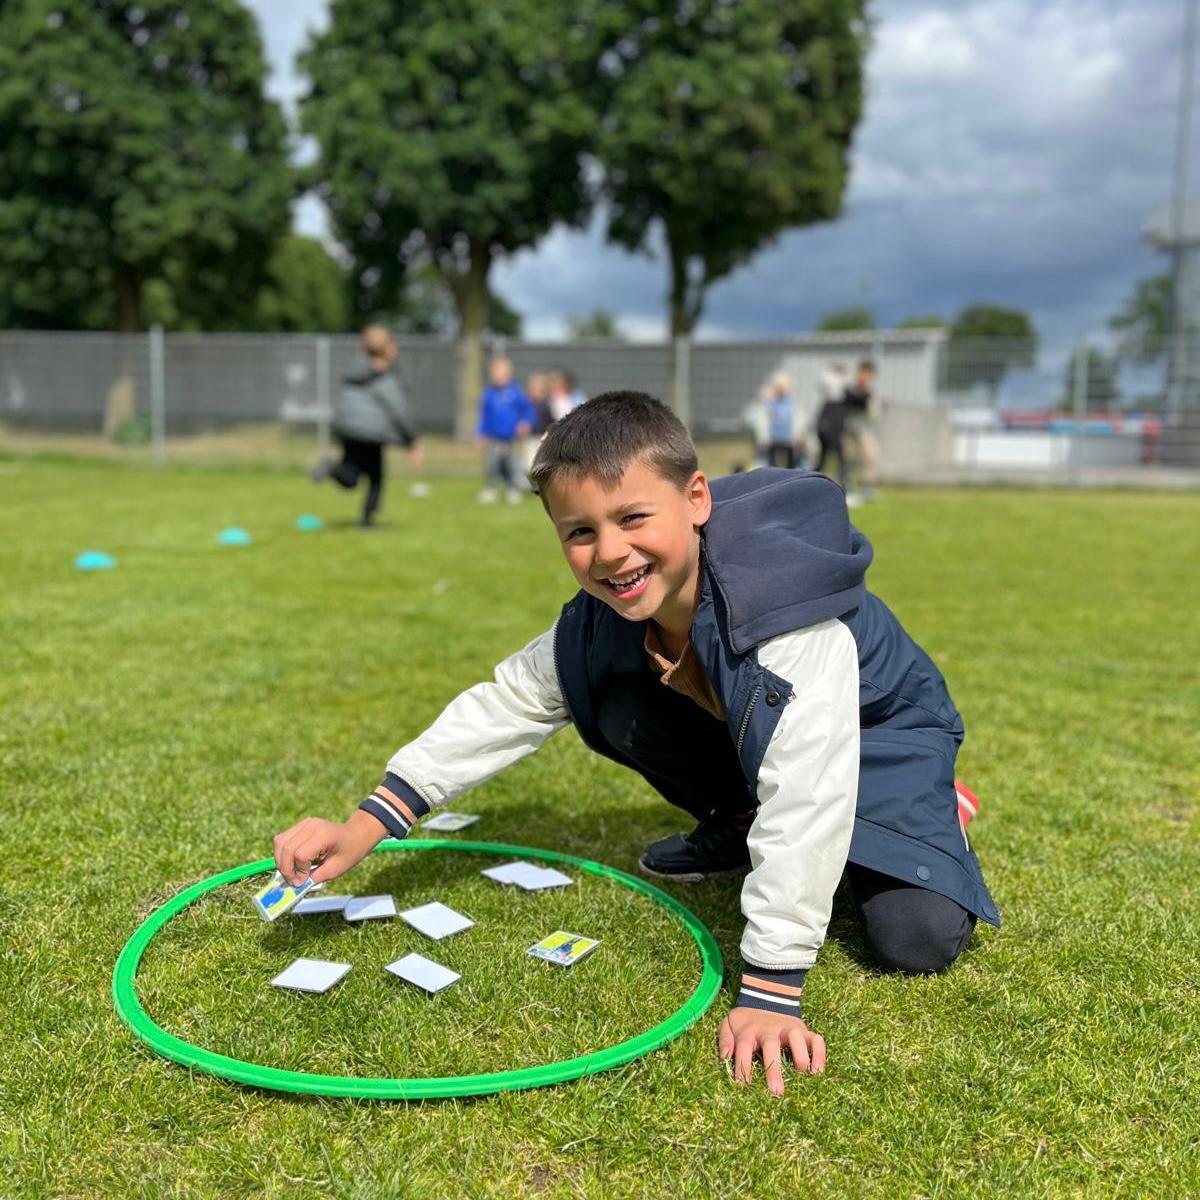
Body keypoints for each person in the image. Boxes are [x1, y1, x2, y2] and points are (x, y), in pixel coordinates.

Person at [273, 392, 998, 1096]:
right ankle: (737, 823)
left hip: (881, 738)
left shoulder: (787, 614)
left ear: (696, 499)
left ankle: (939, 809)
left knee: (915, 937)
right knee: (601, 686)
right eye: (580, 532)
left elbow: (807, 789)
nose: (611, 552)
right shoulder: (603, 616)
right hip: (772, 745)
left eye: (632, 517)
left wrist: (772, 986)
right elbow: (506, 704)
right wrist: (363, 826)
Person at [311, 325, 422, 528]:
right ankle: (366, 521)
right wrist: (411, 441)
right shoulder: (385, 377)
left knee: (351, 475)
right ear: (388, 349)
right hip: (371, 432)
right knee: (376, 477)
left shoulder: (355, 370)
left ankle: (332, 468)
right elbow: (399, 410)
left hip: (347, 428)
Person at [476, 357, 535, 504]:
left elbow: (527, 410)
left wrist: (525, 423)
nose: (498, 377)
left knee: (511, 462)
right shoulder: (489, 394)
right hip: (494, 436)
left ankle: (512, 488)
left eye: (501, 374)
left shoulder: (515, 393)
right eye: (495, 374)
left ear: (508, 375)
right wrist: (481, 434)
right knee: (491, 462)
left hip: (511, 436)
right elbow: (484, 416)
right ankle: (490, 488)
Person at [842, 359, 880, 501]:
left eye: (868, 375)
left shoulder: (871, 393)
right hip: (849, 429)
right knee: (848, 457)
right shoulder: (850, 390)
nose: (865, 377)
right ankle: (848, 486)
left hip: (865, 429)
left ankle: (867, 487)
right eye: (863, 373)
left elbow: (874, 413)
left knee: (869, 456)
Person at [814, 368, 849, 490]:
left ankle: (814, 482)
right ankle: (843, 486)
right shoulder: (833, 403)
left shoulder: (838, 401)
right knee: (839, 459)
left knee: (824, 460)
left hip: (828, 431)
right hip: (830, 433)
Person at [763, 372, 805, 469]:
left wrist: (796, 435)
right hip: (774, 439)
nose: (781, 390)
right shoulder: (771, 403)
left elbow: (798, 420)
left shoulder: (792, 403)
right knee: (772, 465)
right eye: (779, 387)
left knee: (791, 465)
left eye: (783, 387)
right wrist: (765, 437)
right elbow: (766, 420)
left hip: (789, 440)